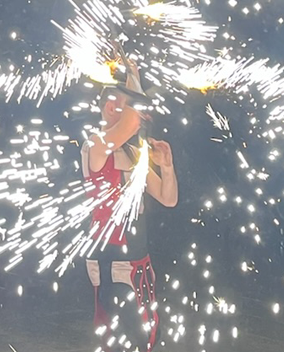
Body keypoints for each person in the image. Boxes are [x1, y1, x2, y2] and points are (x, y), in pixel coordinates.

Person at [80, 59, 178, 351]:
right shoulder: (95, 145)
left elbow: (168, 198)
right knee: (121, 338)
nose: (144, 116)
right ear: (111, 108)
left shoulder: (133, 152)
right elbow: (134, 118)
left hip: (138, 257)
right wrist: (133, 78)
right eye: (130, 105)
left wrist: (168, 167)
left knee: (147, 334)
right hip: (112, 260)